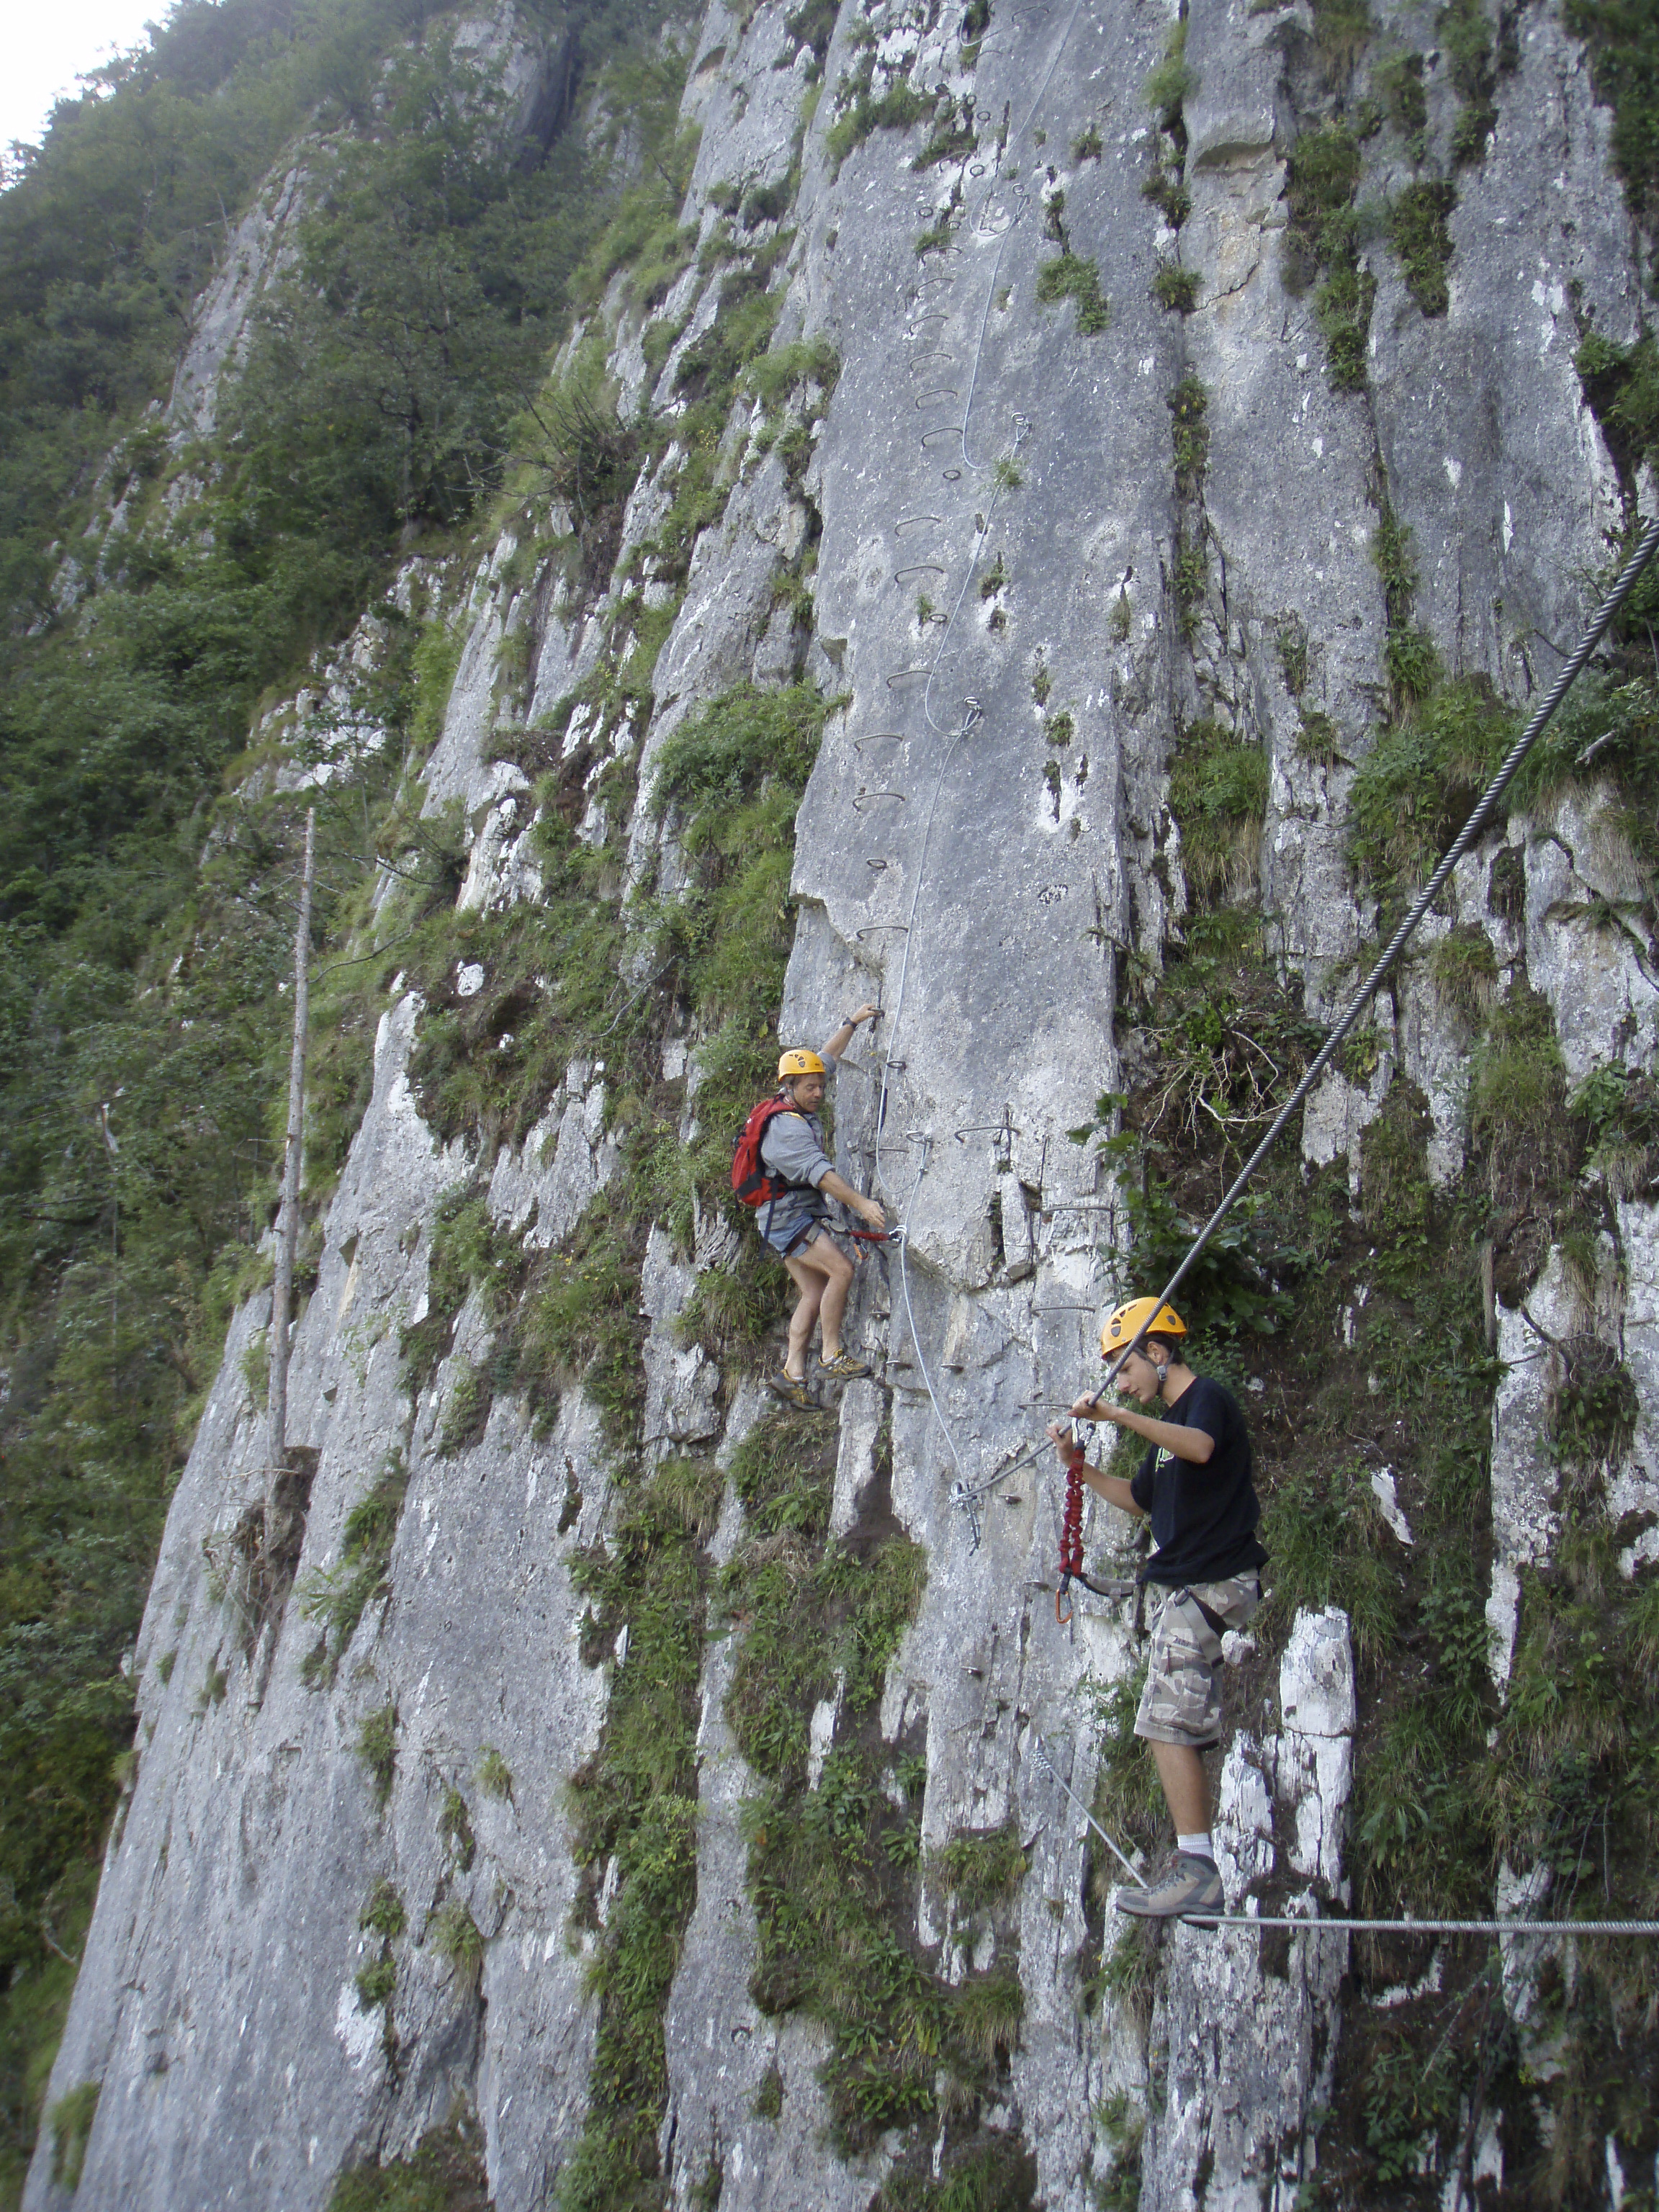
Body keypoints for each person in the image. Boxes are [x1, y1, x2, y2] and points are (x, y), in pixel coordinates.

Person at [1046, 1295, 1267, 1918]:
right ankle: (1196, 1874)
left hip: (1214, 1581)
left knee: (1165, 1719)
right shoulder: (1164, 1433)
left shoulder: (1206, 1402)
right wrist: (1077, 1466)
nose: (1122, 1380)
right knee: (1165, 1719)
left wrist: (1116, 1414)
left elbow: (1199, 1447)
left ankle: (1197, 1870)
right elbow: (1139, 1499)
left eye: (1124, 1366)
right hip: (1192, 1586)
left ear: (1159, 1352)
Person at [758, 1005, 888, 1406]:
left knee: (813, 1294)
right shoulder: (785, 1129)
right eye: (810, 1088)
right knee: (842, 1269)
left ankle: (792, 1373)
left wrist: (852, 1022)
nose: (819, 1093)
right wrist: (863, 1203)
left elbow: (825, 1060)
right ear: (791, 1087)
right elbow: (822, 1175)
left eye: (820, 1086)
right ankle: (831, 1354)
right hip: (789, 1218)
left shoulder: (794, 1100)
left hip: (778, 1216)